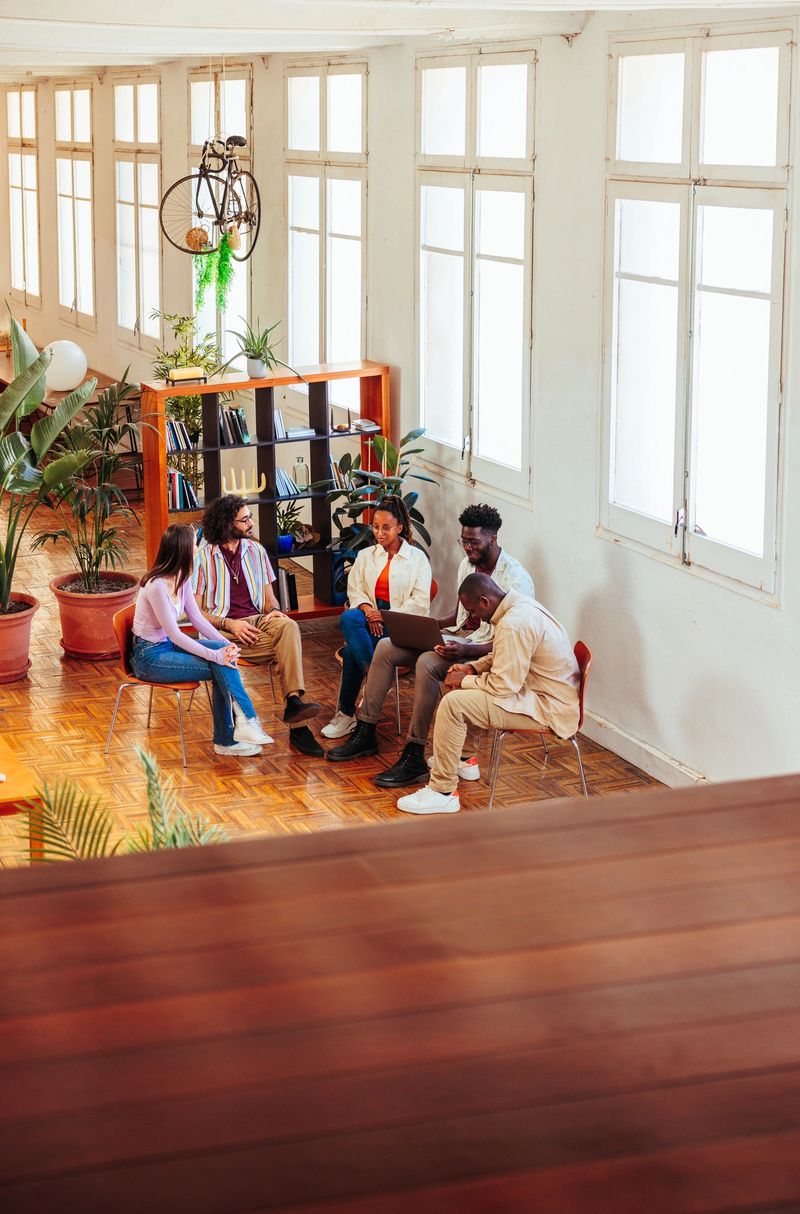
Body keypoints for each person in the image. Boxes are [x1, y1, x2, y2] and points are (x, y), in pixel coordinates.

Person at [327, 502, 533, 787]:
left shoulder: (516, 580)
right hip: (458, 638)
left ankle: (414, 753)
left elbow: (508, 644)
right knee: (386, 647)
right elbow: (461, 616)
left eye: (474, 542)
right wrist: (431, 625)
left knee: (427, 663)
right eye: (464, 541)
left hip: (480, 651)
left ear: (493, 539)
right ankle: (366, 731)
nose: (467, 548)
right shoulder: (468, 564)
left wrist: (465, 650)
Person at [397, 572, 580, 815]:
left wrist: (466, 679)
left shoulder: (514, 624)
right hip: (542, 695)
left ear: (485, 601)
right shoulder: (520, 606)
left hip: (547, 709)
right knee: (467, 692)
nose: (473, 617)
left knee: (454, 704)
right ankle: (464, 760)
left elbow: (503, 686)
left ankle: (442, 792)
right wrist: (473, 667)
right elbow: (503, 655)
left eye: (472, 611)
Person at [193, 495, 322, 757]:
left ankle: (294, 703)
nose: (251, 522)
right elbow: (194, 611)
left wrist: (275, 612)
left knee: (288, 627)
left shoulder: (256, 550)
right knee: (285, 651)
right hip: (222, 630)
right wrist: (230, 623)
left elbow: (268, 599)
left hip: (258, 623)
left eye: (250, 516)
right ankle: (299, 729)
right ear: (228, 523)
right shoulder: (203, 558)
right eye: (245, 519)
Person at [131, 523, 273, 757]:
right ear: (183, 550)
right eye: (195, 546)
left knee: (223, 657)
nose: (198, 549)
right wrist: (216, 655)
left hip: (166, 645)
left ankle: (240, 729)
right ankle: (235, 732)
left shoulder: (181, 577)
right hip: (148, 657)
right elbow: (176, 633)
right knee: (220, 662)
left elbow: (196, 618)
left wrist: (225, 644)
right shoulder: (156, 586)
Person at [322, 496, 432, 739]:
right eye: (375, 526)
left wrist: (383, 616)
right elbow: (355, 588)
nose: (379, 533)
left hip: (401, 629)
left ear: (400, 528)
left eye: (386, 528)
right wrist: (367, 610)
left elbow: (420, 603)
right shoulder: (366, 556)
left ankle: (347, 714)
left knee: (351, 651)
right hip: (367, 623)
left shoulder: (417, 559)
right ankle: (374, 671)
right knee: (350, 618)